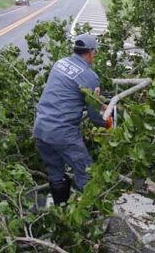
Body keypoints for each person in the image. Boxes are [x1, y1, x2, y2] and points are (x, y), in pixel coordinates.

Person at [33, 34, 112, 205]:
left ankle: (62, 214)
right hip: (63, 133)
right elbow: (95, 117)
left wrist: (96, 101)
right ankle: (92, 216)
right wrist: (109, 123)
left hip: (40, 128)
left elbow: (65, 94)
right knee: (87, 173)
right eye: (95, 53)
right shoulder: (90, 76)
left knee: (56, 174)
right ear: (91, 53)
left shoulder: (59, 63)